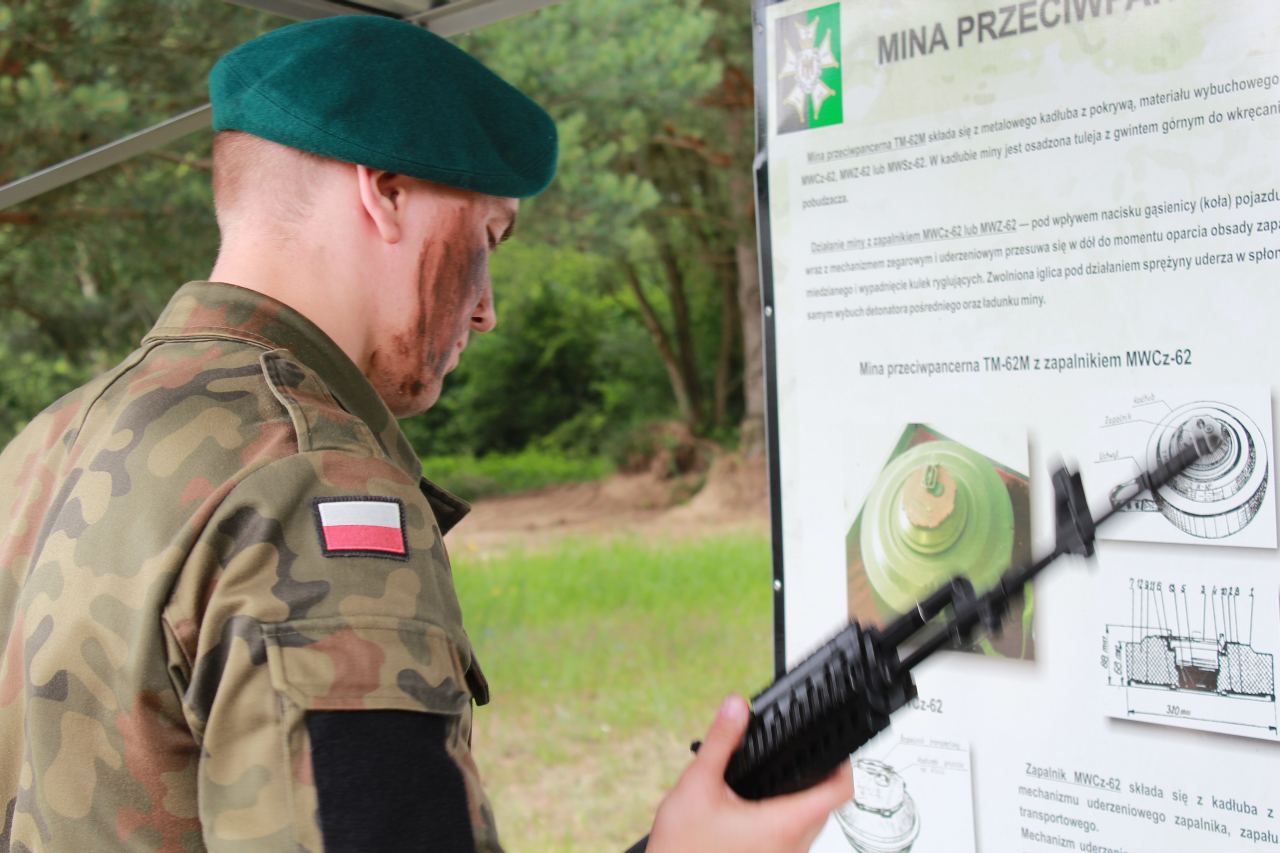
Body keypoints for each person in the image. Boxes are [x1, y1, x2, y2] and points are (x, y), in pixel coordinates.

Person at [0, 15, 851, 852]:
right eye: (488, 235)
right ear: (386, 191)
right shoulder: (311, 485)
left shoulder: (45, 444)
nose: (487, 310)